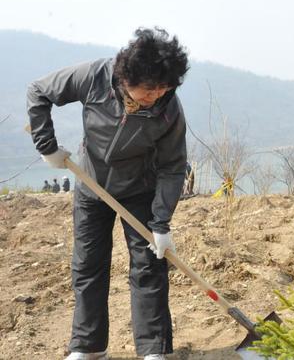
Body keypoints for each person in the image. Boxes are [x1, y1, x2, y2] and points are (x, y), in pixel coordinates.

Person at [27, 27, 190, 360]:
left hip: (139, 189)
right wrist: (46, 146)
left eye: (163, 88)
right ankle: (88, 347)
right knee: (88, 265)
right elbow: (39, 92)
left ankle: (154, 349)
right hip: (90, 181)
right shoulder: (95, 76)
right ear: (126, 77)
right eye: (148, 89)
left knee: (148, 267)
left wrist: (161, 223)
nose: (155, 96)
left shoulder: (169, 110)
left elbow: (173, 167)